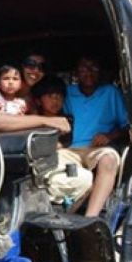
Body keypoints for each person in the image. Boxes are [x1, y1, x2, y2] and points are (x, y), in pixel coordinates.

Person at [62, 55, 129, 218]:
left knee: (109, 160)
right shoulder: (67, 93)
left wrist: (109, 136)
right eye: (84, 68)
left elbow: (127, 127)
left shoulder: (111, 92)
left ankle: (90, 219)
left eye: (94, 68)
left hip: (98, 149)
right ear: (76, 72)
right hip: (70, 150)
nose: (89, 73)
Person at [31, 75, 93, 207]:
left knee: (84, 178)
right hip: (34, 166)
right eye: (50, 96)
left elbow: (63, 144)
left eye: (59, 97)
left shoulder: (66, 121)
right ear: (38, 101)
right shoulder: (31, 120)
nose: (56, 100)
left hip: (55, 163)